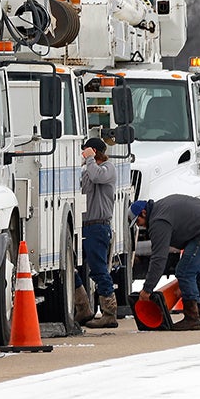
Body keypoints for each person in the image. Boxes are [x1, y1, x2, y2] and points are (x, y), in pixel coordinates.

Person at [132, 194, 200, 332]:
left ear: (144, 212)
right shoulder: (161, 208)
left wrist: (147, 289)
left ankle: (192, 318)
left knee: (184, 272)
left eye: (138, 221)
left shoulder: (158, 220)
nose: (139, 225)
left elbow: (159, 258)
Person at [78, 138, 119, 328]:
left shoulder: (107, 169)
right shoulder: (89, 169)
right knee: (73, 266)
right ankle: (83, 307)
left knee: (99, 269)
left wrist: (90, 159)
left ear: (93, 151)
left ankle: (109, 313)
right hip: (85, 226)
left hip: (98, 226)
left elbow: (96, 177)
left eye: (85, 150)